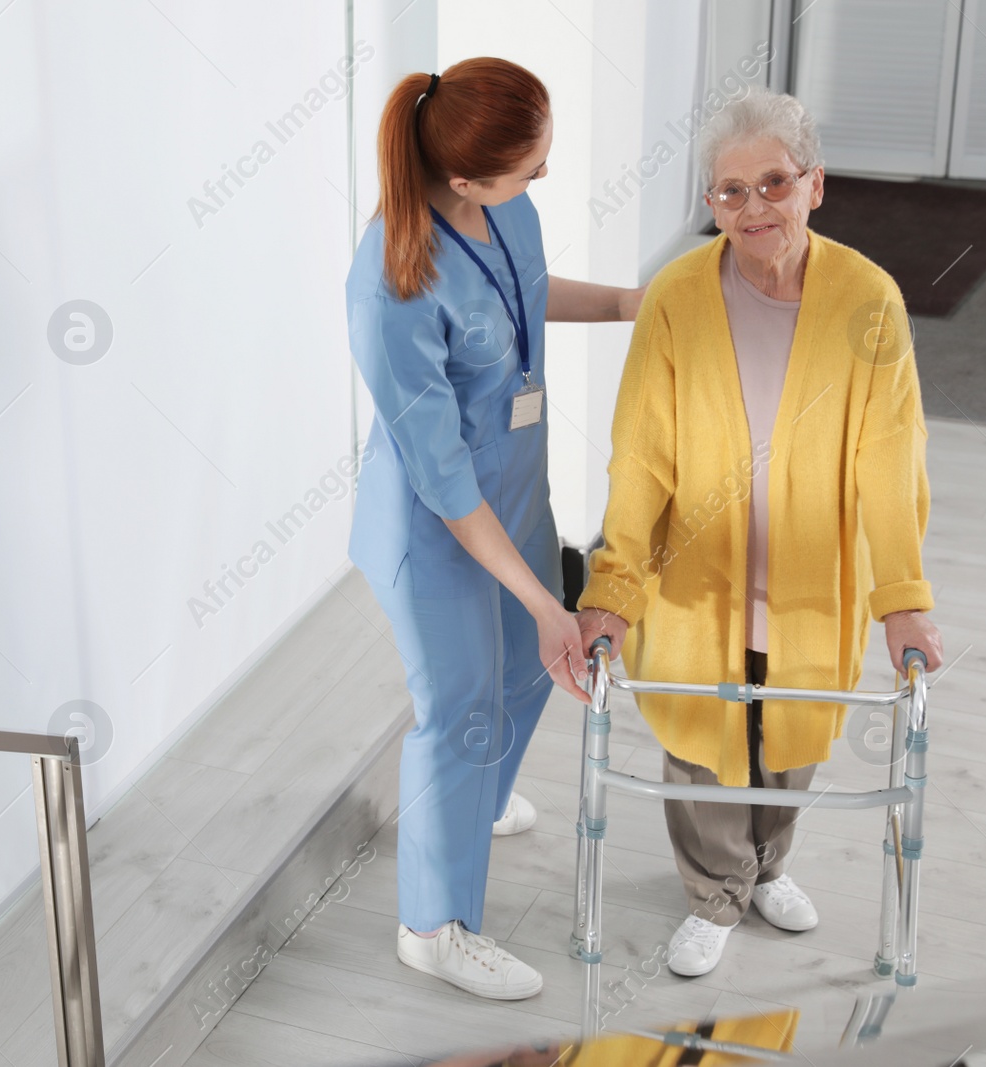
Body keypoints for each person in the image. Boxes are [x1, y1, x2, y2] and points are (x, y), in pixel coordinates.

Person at [575, 89, 945, 977]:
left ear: (814, 185)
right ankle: (713, 892)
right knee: (702, 735)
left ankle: (766, 864)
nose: (753, 209)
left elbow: (891, 462)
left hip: (811, 580)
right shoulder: (676, 299)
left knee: (792, 733)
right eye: (729, 191)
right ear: (710, 203)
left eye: (773, 183)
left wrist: (902, 599)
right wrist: (612, 589)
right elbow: (642, 460)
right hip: (695, 577)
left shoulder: (869, 300)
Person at [345, 58, 644, 1000]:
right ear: (464, 178)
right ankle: (432, 926)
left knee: (526, 669)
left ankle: (475, 801)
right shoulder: (391, 286)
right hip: (439, 521)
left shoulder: (504, 209)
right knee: (461, 704)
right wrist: (544, 600)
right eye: (529, 168)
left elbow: (526, 293)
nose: (542, 180)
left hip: (514, 486)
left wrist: (643, 305)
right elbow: (440, 478)